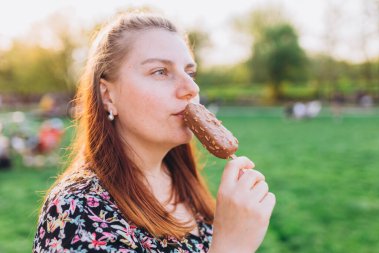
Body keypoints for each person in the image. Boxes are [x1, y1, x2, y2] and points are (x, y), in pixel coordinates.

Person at [33, 12, 275, 252]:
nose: (191, 88)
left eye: (190, 73)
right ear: (108, 95)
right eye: (160, 71)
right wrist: (230, 247)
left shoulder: (181, 182)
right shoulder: (75, 209)